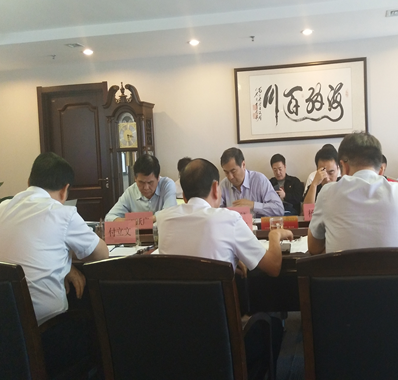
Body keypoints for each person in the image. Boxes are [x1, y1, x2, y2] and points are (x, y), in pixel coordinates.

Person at [157, 158, 293, 379]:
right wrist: (274, 236)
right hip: (222, 340)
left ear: (184, 195)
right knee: (273, 327)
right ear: (215, 188)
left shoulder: (164, 220)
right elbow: (273, 267)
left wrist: (230, 259)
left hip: (177, 337)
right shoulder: (228, 219)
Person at [0, 152, 109, 376]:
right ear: (65, 189)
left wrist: (67, 266)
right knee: (97, 330)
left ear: (29, 182)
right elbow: (101, 255)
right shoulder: (61, 213)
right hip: (45, 335)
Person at [308, 132, 398, 255]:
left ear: (344, 167)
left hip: (344, 272)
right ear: (381, 170)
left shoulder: (327, 194)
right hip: (396, 273)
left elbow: (314, 248)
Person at [105, 154, 177, 221]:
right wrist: (132, 222)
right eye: (141, 182)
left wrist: (141, 221)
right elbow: (109, 218)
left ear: (158, 178)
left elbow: (169, 213)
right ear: (135, 178)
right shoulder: (130, 192)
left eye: (150, 182)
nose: (146, 187)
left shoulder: (167, 185)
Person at [220, 147, 284, 217]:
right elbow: (216, 212)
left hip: (257, 224)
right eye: (226, 172)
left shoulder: (259, 180)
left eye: (233, 171)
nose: (230, 177)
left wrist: (253, 205)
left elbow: (279, 209)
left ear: (243, 165)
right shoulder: (223, 185)